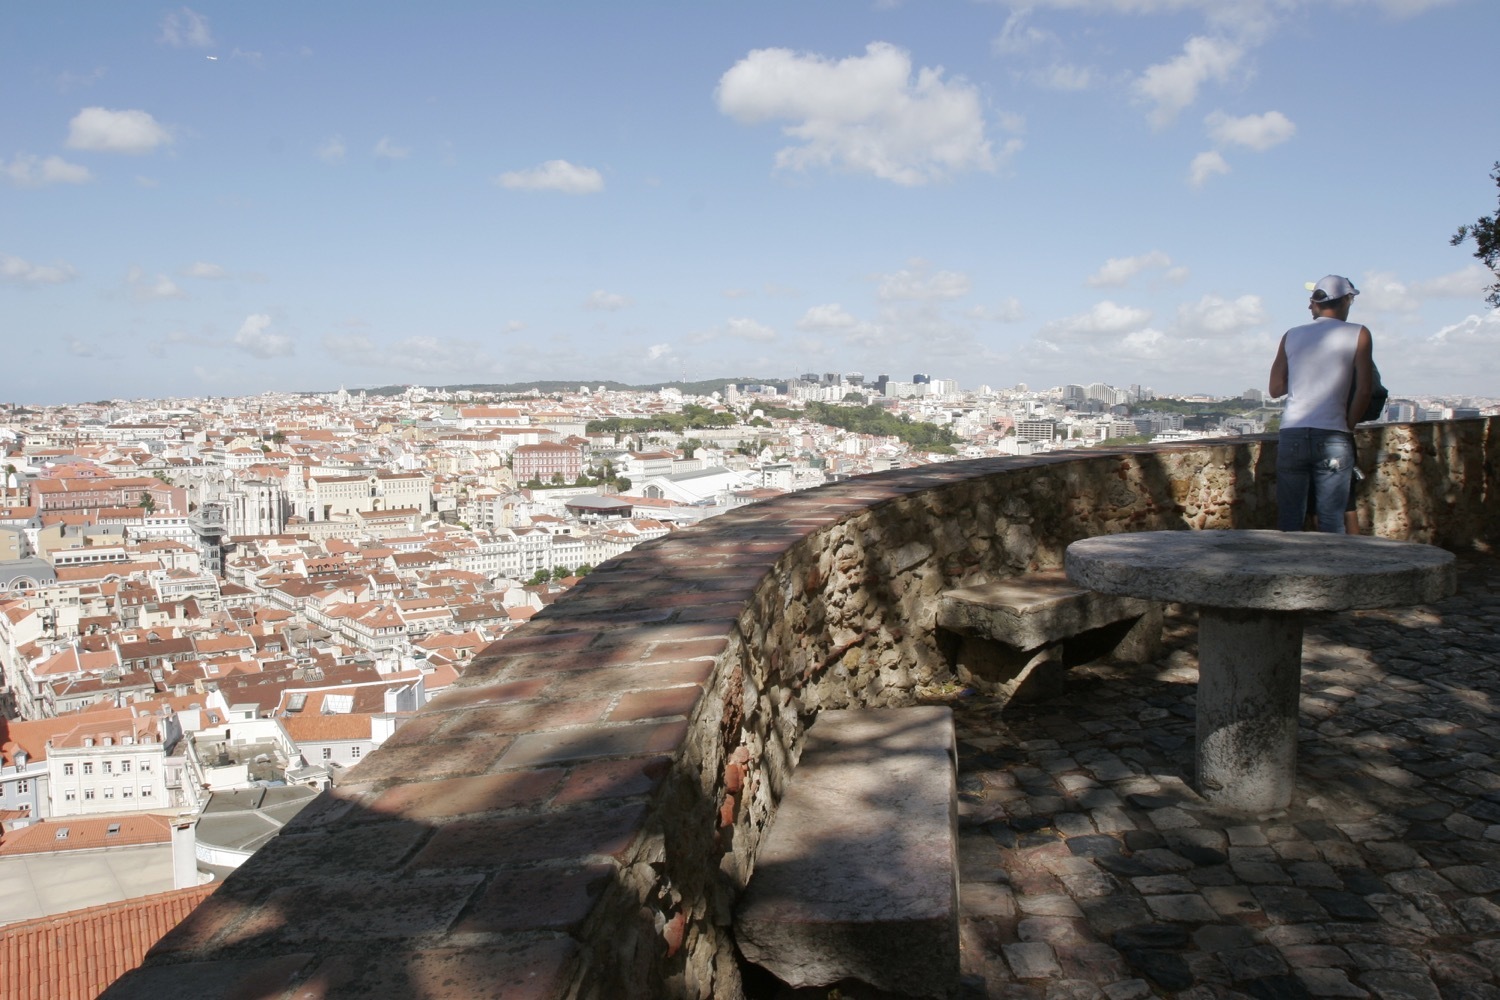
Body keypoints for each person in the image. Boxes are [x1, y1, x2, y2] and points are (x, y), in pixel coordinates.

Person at [1268, 275, 1374, 533]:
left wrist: (1305, 373)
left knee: (1290, 520)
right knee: (1331, 521)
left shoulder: (1291, 335)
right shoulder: (1359, 334)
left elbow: (1275, 389)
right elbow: (1364, 389)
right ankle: (1334, 572)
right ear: (1347, 301)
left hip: (1292, 432)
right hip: (1334, 433)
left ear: (1316, 303)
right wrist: (1348, 425)